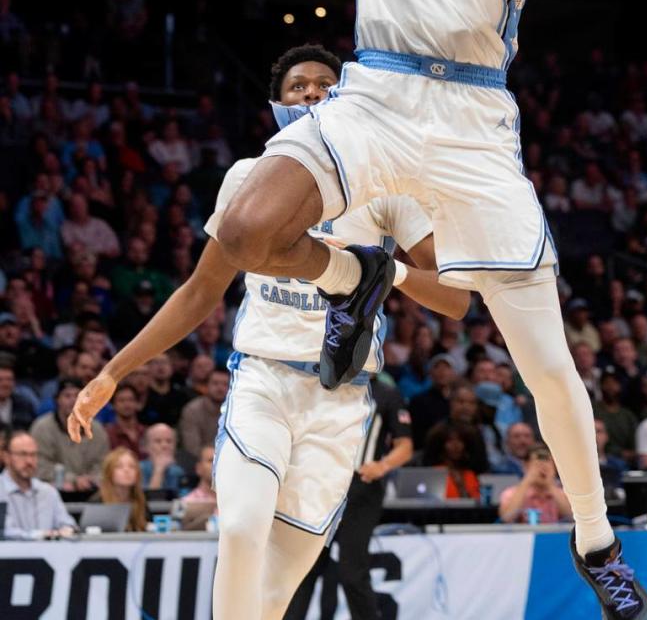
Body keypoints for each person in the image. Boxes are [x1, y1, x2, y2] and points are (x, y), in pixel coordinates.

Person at [212, 0, 647, 615]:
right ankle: (353, 275)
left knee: (546, 363)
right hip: (371, 97)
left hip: (470, 124)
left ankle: (595, 536)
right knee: (246, 228)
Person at [69, 44, 468, 620]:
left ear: (346, 97)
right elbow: (198, 292)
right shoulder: (247, 179)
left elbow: (455, 299)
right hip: (265, 379)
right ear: (277, 106)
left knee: (275, 594)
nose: (310, 93)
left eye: (323, 84)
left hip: (342, 401)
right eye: (296, 87)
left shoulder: (387, 185)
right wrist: (113, 371)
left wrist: (388, 271)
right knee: (240, 526)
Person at [284, 374, 413, 620]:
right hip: (323, 484)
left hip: (361, 486)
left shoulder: (387, 394)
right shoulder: (326, 384)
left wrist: (382, 466)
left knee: (352, 570)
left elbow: (405, 446)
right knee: (305, 567)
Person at [31, 377, 108, 490]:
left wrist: (90, 479)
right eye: (67, 396)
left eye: (77, 395)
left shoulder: (97, 430)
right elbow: (40, 465)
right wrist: (72, 479)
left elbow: (104, 465)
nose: (73, 400)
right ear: (57, 400)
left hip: (92, 490)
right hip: (54, 491)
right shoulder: (41, 428)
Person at [0, 431, 76, 538]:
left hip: (49, 553)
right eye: (23, 454)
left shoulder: (48, 491)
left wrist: (67, 530)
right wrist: (42, 535)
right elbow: (4, 532)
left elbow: (68, 524)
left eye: (33, 454)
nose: (29, 461)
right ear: (6, 457)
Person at [499, 443, 573, 524]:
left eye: (547, 462)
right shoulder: (511, 493)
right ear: (526, 465)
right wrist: (527, 480)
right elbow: (506, 518)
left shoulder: (565, 494)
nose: (542, 467)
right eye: (537, 463)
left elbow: (572, 517)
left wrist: (550, 485)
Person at [87, 447, 150, 531]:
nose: (127, 470)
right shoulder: (98, 501)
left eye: (132, 466)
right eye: (119, 466)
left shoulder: (140, 500)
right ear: (109, 473)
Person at [178, 366, 229, 461]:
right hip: (199, 462)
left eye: (225, 384)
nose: (220, 388)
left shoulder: (235, 411)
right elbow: (192, 448)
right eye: (215, 383)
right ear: (206, 386)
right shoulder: (192, 410)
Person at [423, 420, 482, 499]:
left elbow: (476, 504)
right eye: (450, 440)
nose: (456, 446)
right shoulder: (434, 474)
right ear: (440, 444)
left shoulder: (470, 475)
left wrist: (461, 487)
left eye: (460, 440)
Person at [141, 423, 187, 492]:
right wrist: (159, 470)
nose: (164, 445)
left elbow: (184, 500)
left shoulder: (178, 471)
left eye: (169, 441)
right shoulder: (138, 469)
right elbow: (149, 500)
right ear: (146, 446)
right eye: (158, 441)